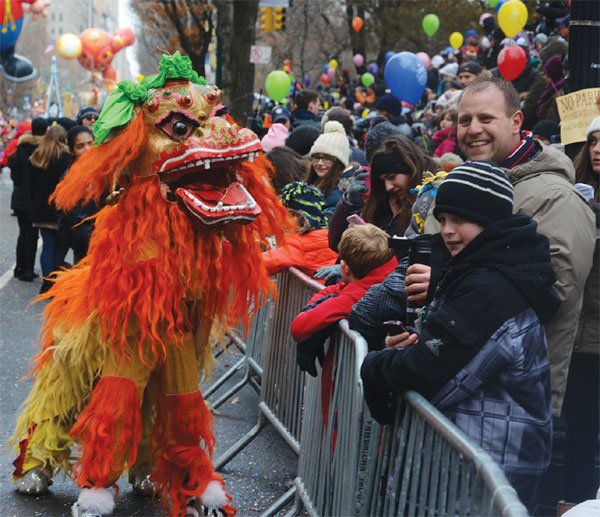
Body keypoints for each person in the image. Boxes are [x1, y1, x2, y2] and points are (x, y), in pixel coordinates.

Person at [361, 161, 560, 512]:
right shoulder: (486, 271)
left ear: (490, 221)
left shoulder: (490, 287)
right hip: (475, 464)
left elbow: (434, 372)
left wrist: (375, 367)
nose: (448, 231)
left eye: (460, 220)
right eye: (445, 218)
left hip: (480, 475)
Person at [424, 76, 595, 417]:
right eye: (465, 120)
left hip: (508, 399)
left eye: (486, 119)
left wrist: (443, 287)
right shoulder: (457, 185)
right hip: (445, 377)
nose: (473, 130)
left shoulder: (555, 197)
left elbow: (554, 292)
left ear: (517, 122)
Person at [291, 223, 397, 376]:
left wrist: (327, 302)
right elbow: (336, 288)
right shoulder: (387, 274)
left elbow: (299, 327)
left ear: (345, 267)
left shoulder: (356, 295)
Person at [562, 117, 600, 504]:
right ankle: (574, 504)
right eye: (592, 141)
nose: (597, 148)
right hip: (580, 335)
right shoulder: (574, 194)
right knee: (581, 431)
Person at [261, 181, 338, 278]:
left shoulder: (300, 244)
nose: (281, 221)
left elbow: (261, 263)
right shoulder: (327, 235)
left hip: (316, 293)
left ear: (302, 219)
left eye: (287, 215)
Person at [28, 124, 72, 293]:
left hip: (41, 208)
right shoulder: (66, 157)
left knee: (48, 245)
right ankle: (53, 280)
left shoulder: (37, 156)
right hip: (61, 207)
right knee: (61, 246)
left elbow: (31, 185)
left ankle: (47, 282)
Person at [8, 117, 47, 281]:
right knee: (32, 234)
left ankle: (19, 267)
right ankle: (28, 270)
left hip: (19, 197)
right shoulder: (44, 150)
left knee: (23, 233)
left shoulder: (20, 148)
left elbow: (12, 168)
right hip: (35, 198)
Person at [57, 126, 98, 264]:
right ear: (71, 151)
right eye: (80, 146)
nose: (87, 149)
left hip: (106, 238)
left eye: (90, 143)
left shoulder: (108, 167)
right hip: (83, 240)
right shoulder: (70, 175)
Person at [306, 120, 349, 214]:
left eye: (327, 158)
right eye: (317, 157)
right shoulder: (309, 184)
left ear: (339, 163)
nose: (320, 163)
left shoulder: (340, 196)